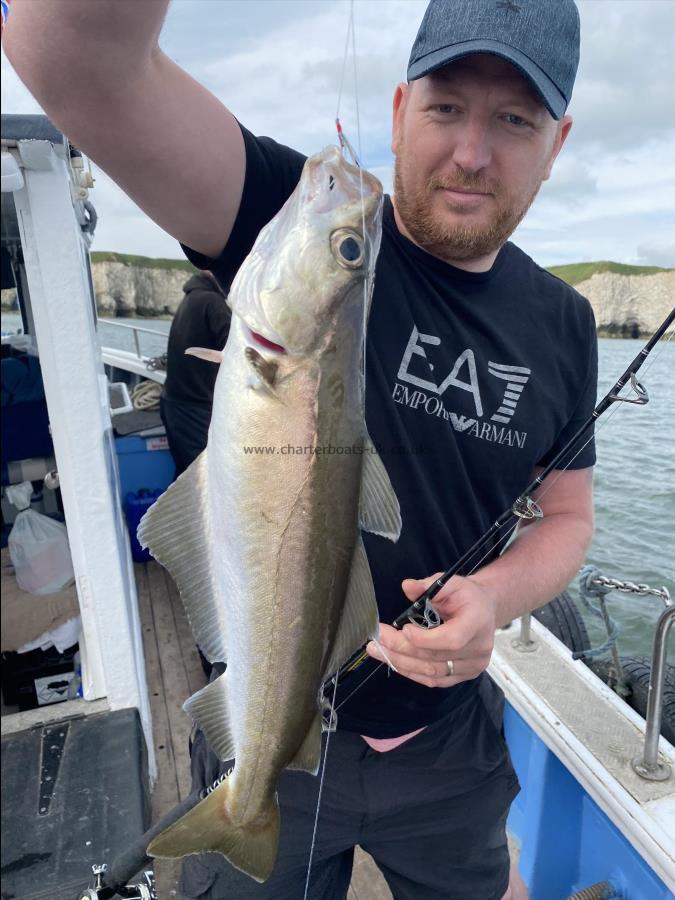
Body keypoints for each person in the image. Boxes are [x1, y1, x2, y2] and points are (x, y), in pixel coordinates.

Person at [4, 1, 597, 898]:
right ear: (397, 111)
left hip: (449, 748)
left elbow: (566, 513)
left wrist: (492, 593)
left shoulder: (565, 323)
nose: (472, 151)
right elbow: (74, 56)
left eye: (514, 119)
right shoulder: (301, 221)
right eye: (445, 107)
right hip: (269, 730)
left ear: (556, 144)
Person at [160, 270, 231, 477]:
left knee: (185, 473)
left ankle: (173, 509)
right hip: (194, 409)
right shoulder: (213, 302)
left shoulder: (191, 298)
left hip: (173, 403)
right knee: (205, 477)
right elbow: (237, 351)